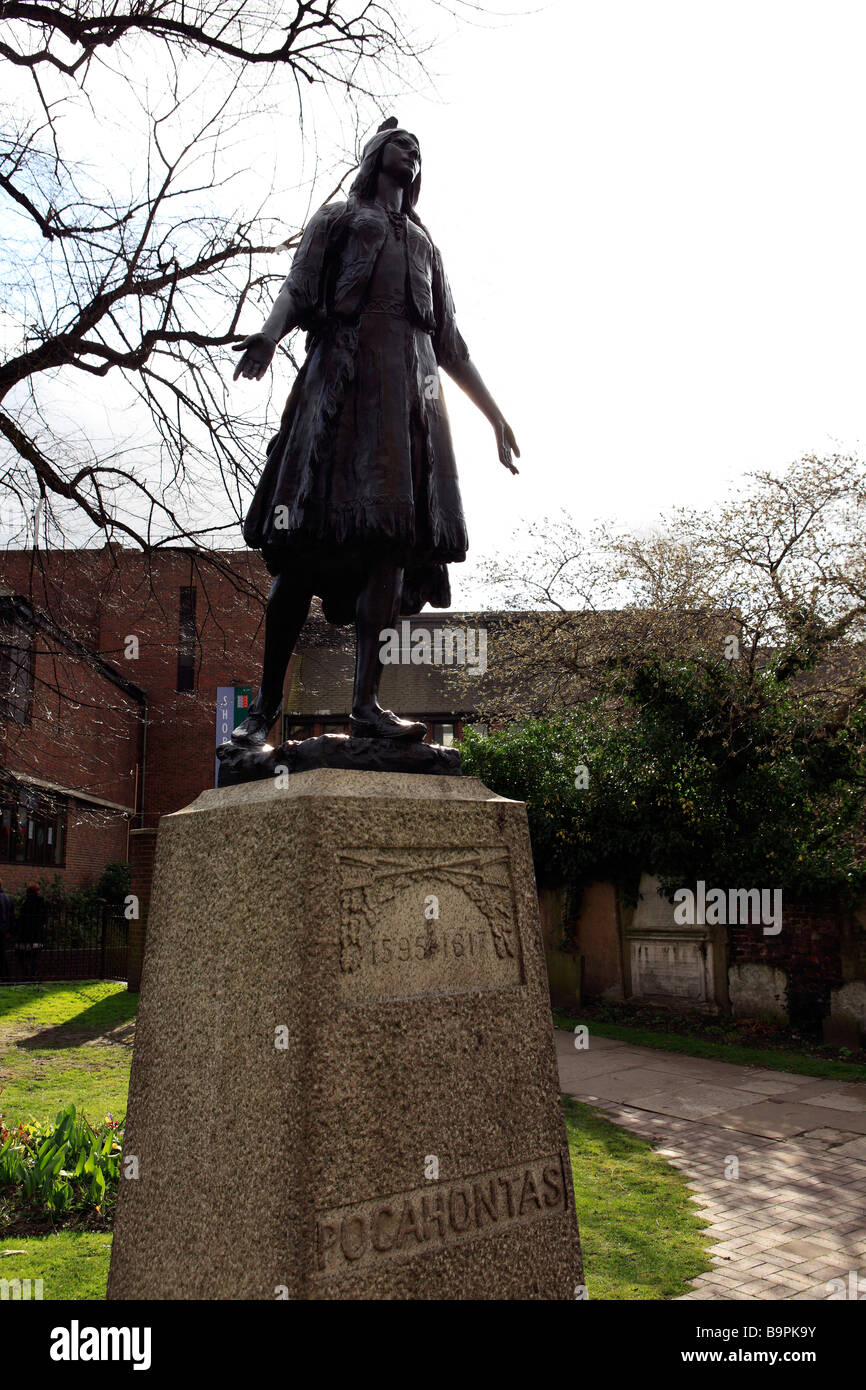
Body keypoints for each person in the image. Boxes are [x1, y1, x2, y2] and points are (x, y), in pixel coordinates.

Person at [230, 118, 518, 747]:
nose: (412, 151)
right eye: (401, 142)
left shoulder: (425, 243)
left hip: (406, 412)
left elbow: (451, 344)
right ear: (374, 156)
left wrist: (494, 416)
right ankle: (264, 713)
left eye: (419, 147)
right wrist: (268, 336)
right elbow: (298, 289)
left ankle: (366, 704)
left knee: (390, 551)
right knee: (301, 552)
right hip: (341, 391)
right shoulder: (339, 219)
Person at [0, 878, 13, 980]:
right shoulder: (8, 898)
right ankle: (6, 976)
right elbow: (11, 916)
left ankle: (5, 976)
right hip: (5, 931)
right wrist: (9, 931)